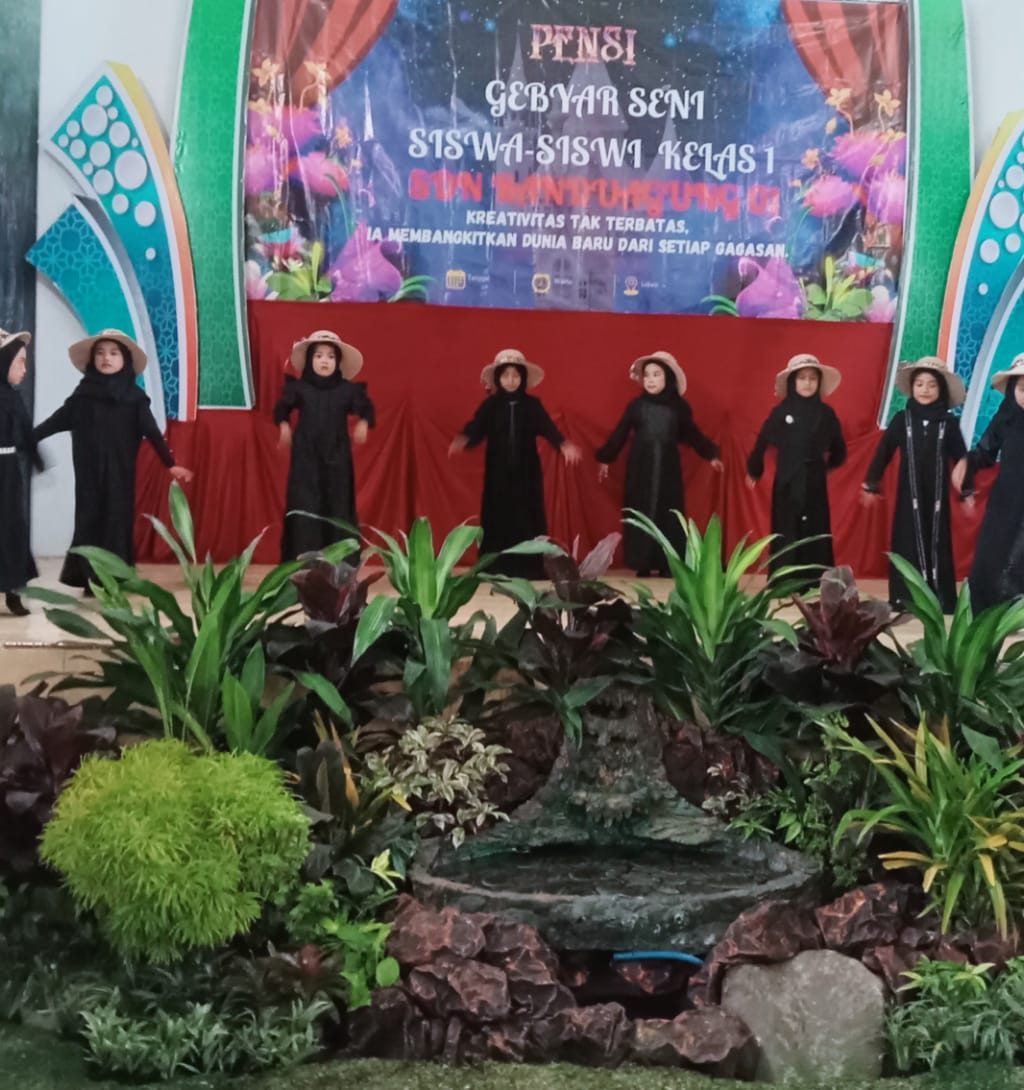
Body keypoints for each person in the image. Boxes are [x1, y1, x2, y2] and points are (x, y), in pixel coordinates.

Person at [32, 329, 193, 592]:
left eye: (114, 353)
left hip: (120, 474)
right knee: (89, 521)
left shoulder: (134, 399)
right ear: (92, 359)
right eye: (100, 353)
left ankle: (114, 578)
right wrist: (27, 437)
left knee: (116, 522)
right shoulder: (82, 398)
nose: (106, 358)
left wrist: (170, 463)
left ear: (125, 360)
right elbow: (55, 421)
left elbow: (152, 432)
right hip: (88, 476)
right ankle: (88, 579)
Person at [448, 348, 581, 578]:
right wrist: (464, 439)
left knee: (528, 517)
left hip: (527, 474)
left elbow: (548, 428)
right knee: (496, 518)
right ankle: (494, 566)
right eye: (506, 375)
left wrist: (563, 444)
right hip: (497, 474)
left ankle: (530, 567)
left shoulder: (532, 405)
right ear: (498, 378)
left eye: (516, 375)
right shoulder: (490, 406)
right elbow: (476, 427)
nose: (511, 380)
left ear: (523, 378)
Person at [597, 350, 723, 576]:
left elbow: (693, 434)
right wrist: (606, 458)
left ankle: (668, 562)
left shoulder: (678, 407)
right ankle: (643, 562)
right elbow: (620, 433)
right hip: (640, 467)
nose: (651, 380)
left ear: (668, 378)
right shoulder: (636, 406)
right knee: (642, 509)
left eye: (656, 374)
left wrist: (711, 454)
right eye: (647, 375)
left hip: (668, 468)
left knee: (669, 512)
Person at [861, 356, 970, 612]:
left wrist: (967, 490)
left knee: (937, 542)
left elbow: (962, 457)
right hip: (908, 495)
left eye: (932, 385)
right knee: (907, 541)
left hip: (937, 498)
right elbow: (883, 452)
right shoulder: (902, 419)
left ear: (941, 389)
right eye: (919, 384)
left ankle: (941, 599)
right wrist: (871, 483)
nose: (925, 390)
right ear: (911, 388)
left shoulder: (948, 422)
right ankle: (905, 598)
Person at [745, 352, 846, 579]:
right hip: (787, 480)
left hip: (814, 480)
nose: (807, 383)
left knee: (815, 527)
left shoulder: (826, 414)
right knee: (786, 528)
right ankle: (784, 578)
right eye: (802, 378)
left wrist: (830, 464)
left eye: (812, 378)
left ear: (819, 382)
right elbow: (762, 441)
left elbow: (838, 446)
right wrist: (754, 469)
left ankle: (815, 579)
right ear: (792, 382)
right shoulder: (781, 412)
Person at [275, 329, 373, 560]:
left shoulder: (347, 390)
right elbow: (282, 408)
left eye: (330, 356)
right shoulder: (300, 388)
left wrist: (364, 422)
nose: (324, 361)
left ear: (338, 361)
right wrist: (284, 426)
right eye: (318, 356)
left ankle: (340, 562)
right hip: (306, 456)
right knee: (305, 504)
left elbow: (366, 408)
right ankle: (303, 562)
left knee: (338, 504)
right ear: (310, 360)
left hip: (337, 456)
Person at [953, 353, 1024, 613]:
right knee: (993, 554)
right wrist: (968, 463)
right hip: (1007, 497)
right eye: (1022, 389)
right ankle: (989, 615)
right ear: (1012, 390)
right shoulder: (1005, 417)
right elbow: (985, 451)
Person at [0, 329, 40, 615]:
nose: (25, 370)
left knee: (12, 526)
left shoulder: (14, 399)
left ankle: (13, 590)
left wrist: (37, 457)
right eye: (20, 362)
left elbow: (26, 433)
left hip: (9, 473)